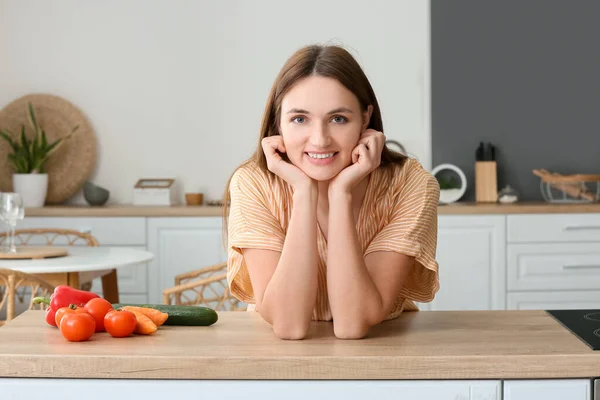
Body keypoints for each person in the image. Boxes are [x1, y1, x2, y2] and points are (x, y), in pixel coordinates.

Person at [223, 44, 440, 340]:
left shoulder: (410, 185)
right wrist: (303, 192)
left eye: (338, 118)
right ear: (278, 123)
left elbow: (353, 323)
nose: (320, 139)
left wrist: (341, 194)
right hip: (279, 360)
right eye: (300, 119)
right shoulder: (253, 184)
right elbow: (289, 326)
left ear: (365, 118)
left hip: (383, 354)